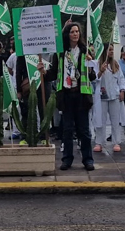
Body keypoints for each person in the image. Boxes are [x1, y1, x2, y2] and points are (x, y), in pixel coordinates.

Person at [41, 22, 96, 171]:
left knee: (84, 130)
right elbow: (53, 73)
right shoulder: (60, 53)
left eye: (77, 31)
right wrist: (43, 72)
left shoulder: (85, 51)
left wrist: (91, 66)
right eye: (72, 32)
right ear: (67, 34)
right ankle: (67, 159)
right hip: (66, 94)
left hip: (82, 94)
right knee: (67, 130)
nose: (75, 34)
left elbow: (92, 76)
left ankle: (88, 159)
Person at [92, 44, 125, 153]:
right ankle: (99, 142)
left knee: (115, 120)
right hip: (101, 96)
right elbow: (93, 79)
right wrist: (101, 71)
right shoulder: (97, 64)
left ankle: (116, 142)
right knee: (100, 120)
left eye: (112, 49)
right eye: (109, 50)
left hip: (114, 96)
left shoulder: (116, 64)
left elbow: (121, 79)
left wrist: (122, 90)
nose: (112, 51)